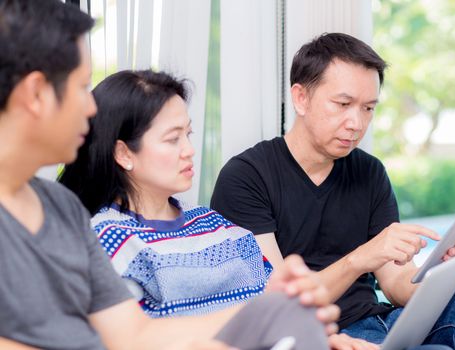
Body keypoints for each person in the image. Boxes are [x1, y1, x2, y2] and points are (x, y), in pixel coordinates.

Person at [0, 1, 342, 348]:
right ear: (36, 93)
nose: (91, 108)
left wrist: (275, 309)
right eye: (80, 88)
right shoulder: (104, 231)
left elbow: (135, 336)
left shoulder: (61, 207)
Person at [210, 32, 455, 349]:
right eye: (343, 104)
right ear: (301, 98)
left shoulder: (369, 172)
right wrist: (361, 258)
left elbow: (397, 285)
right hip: (316, 336)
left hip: (382, 321)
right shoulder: (246, 177)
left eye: (368, 108)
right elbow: (275, 306)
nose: (356, 123)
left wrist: (453, 269)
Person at [59, 68, 383, 350]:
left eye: (188, 134)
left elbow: (273, 307)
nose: (189, 151)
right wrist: (271, 315)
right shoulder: (109, 240)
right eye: (173, 140)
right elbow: (136, 340)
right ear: (124, 154)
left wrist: (318, 340)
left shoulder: (214, 225)